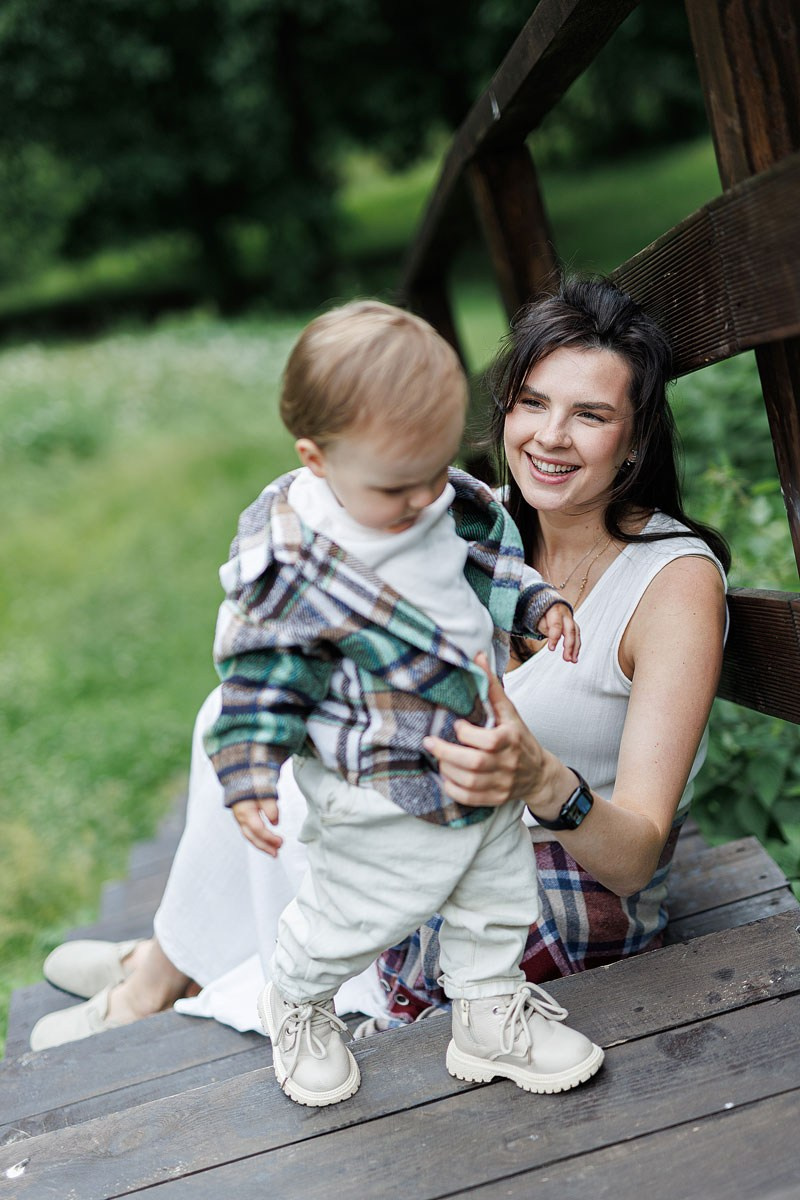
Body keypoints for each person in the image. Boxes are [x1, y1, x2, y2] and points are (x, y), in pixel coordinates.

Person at [31, 279, 728, 1082]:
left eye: (591, 415)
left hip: (545, 890)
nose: (550, 437)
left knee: (312, 786)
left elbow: (636, 856)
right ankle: (166, 963)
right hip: (436, 827)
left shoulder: (670, 584)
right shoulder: (462, 521)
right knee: (253, 718)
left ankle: (168, 969)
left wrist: (538, 776)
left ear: (634, 440)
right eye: (532, 402)